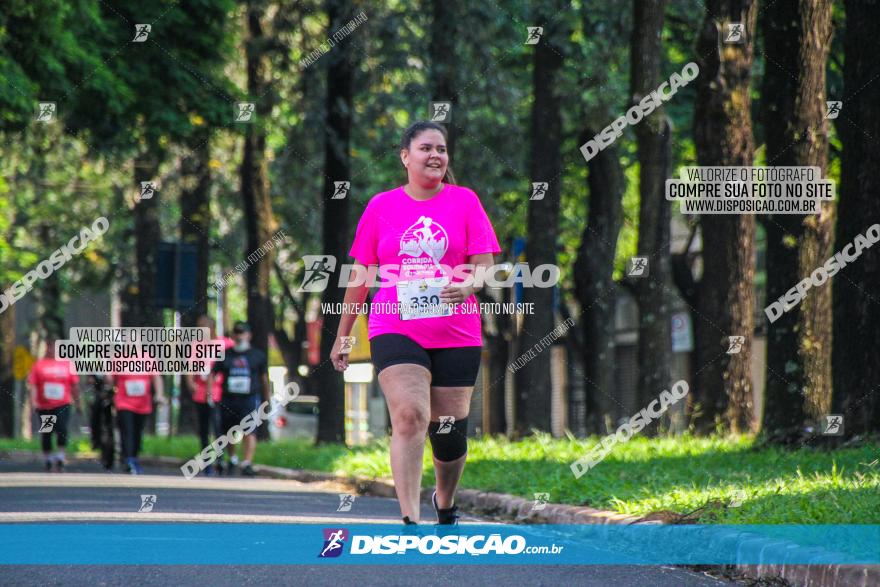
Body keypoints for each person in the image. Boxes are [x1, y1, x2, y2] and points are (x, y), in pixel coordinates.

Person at [331, 120, 501, 525]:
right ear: (405, 156)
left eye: (441, 149)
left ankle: (445, 499)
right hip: (394, 325)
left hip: (456, 330)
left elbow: (485, 266)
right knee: (409, 414)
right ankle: (409, 517)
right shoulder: (381, 207)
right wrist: (343, 337)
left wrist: (469, 285)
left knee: (448, 429)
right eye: (426, 148)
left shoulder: (465, 201)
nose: (436, 155)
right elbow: (360, 277)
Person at [207, 321, 270, 477]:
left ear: (249, 335)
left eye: (242, 333)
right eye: (236, 333)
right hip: (228, 399)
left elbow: (264, 379)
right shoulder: (225, 355)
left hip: (249, 399)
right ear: (233, 335)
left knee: (250, 430)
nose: (239, 336)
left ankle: (247, 462)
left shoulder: (257, 356)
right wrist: (209, 394)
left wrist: (267, 399)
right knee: (228, 431)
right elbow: (212, 374)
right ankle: (232, 458)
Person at [184, 315, 233, 476]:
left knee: (218, 426)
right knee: (204, 428)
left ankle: (220, 459)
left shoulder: (225, 344)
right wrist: (191, 382)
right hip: (201, 392)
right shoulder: (196, 346)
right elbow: (190, 367)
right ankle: (207, 461)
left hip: (220, 393)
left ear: (212, 328)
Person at [27, 336, 80, 472]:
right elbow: (33, 385)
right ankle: (48, 458)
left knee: (62, 429)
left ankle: (61, 456)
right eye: (51, 347)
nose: (53, 350)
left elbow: (74, 385)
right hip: (45, 406)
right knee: (47, 431)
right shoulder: (39, 365)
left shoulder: (67, 364)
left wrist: (78, 403)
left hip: (63, 403)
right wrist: (33, 402)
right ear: (47, 347)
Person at [109, 365, 166, 475]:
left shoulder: (147, 358)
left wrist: (159, 394)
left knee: (137, 432)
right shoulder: (119, 359)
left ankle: (134, 458)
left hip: (142, 405)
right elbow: (111, 379)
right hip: (124, 403)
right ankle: (128, 459)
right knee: (127, 430)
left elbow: (157, 377)